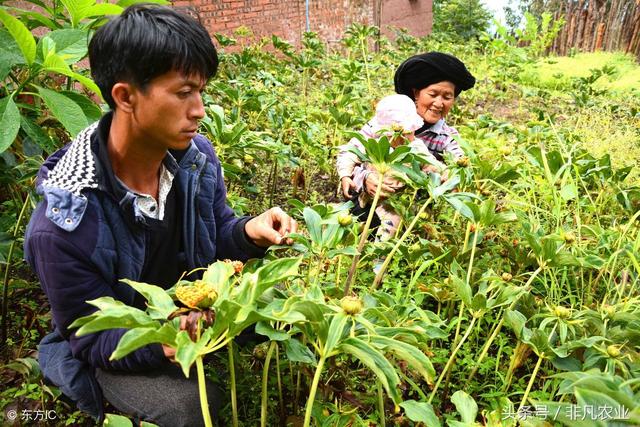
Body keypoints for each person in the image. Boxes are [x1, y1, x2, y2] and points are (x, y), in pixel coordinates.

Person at [23, 5, 297, 426]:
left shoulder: (195, 158)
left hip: (192, 310)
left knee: (288, 314)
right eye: (183, 92)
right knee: (187, 408)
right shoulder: (63, 224)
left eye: (201, 91)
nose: (200, 109)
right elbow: (90, 331)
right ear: (125, 96)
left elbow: (215, 233)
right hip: (122, 341)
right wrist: (166, 343)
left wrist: (248, 232)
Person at [358, 51, 476, 198]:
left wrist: (450, 175)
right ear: (416, 93)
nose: (439, 103)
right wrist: (364, 178)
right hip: (371, 197)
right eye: (433, 95)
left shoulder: (448, 137)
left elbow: (462, 167)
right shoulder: (386, 121)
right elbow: (352, 153)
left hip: (413, 206)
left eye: (447, 97)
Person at [336, 93, 430, 241]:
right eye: (396, 135)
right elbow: (349, 153)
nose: (402, 139)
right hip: (366, 197)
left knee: (390, 229)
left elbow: (431, 165)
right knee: (356, 222)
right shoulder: (373, 143)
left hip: (396, 203)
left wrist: (443, 176)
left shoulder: (416, 147)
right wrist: (345, 175)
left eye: (408, 133)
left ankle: (379, 258)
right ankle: (355, 245)